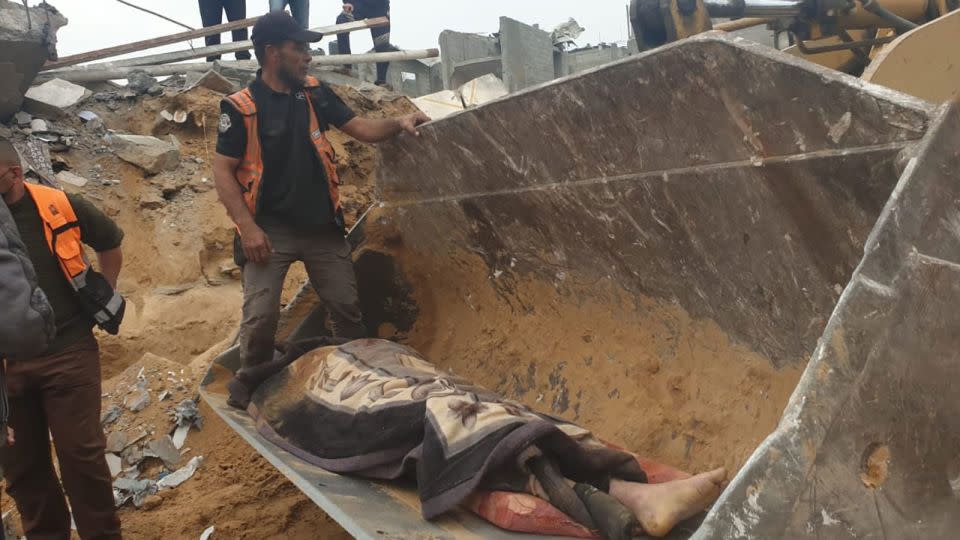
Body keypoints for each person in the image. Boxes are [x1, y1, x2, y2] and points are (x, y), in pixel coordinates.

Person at [212, 11, 429, 409]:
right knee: (260, 319)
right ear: (272, 52)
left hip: (321, 230)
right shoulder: (240, 107)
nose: (309, 56)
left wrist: (399, 122)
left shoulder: (314, 93)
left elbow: (362, 129)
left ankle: (351, 382)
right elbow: (222, 171)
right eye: (300, 49)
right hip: (268, 231)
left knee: (346, 310)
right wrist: (247, 228)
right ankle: (256, 391)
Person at [0, 138, 125, 540]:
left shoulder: (57, 204)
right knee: (22, 469)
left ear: (14, 174)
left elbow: (108, 239)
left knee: (81, 458)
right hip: (6, 370)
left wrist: (103, 290)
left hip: (68, 352)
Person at [337, 0, 395, 86]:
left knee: (382, 42)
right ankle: (346, 68)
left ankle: (381, 81)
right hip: (357, 5)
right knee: (341, 21)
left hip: (379, 7)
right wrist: (348, 2)